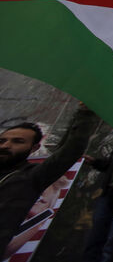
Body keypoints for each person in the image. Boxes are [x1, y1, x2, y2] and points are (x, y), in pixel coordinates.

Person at [0, 103, 98, 257]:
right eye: (2, 141)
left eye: (17, 141)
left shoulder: (31, 176)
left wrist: (85, 113)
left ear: (34, 148)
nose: (5, 145)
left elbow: (72, 149)